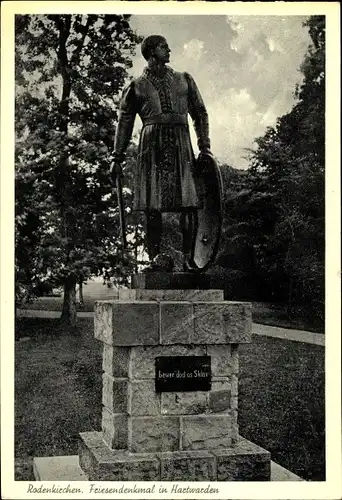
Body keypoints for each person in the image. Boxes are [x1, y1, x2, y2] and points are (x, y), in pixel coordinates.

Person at [111, 35, 212, 271]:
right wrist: (117, 156)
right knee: (151, 206)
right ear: (152, 52)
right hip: (151, 148)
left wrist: (204, 146)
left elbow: (200, 113)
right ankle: (156, 258)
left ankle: (189, 259)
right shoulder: (136, 86)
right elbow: (124, 122)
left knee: (188, 203)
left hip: (180, 144)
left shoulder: (183, 80)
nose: (169, 49)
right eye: (163, 46)